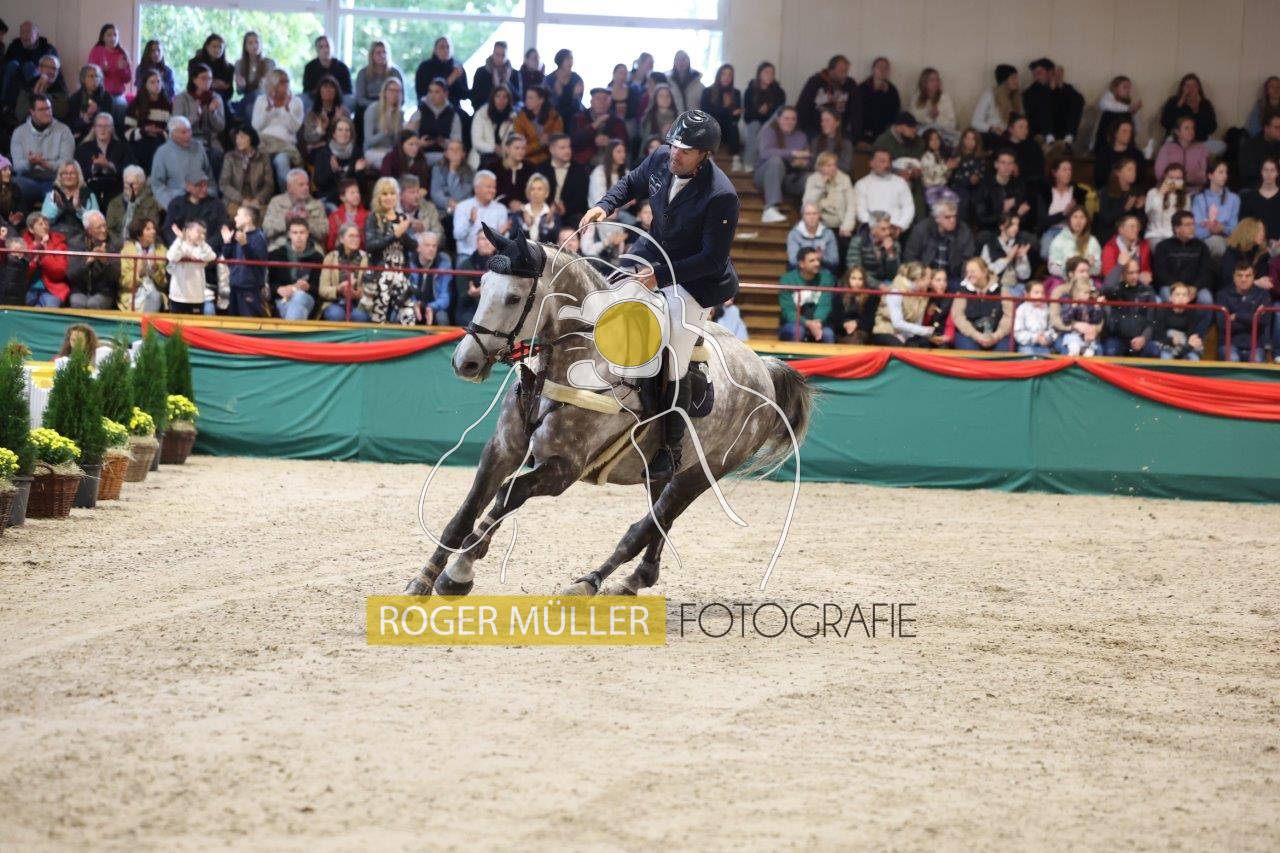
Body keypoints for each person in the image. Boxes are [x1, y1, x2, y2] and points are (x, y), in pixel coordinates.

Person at [580, 109, 740, 480]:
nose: (675, 154)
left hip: (695, 277)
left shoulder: (722, 195)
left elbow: (712, 259)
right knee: (607, 293)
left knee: (674, 353)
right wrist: (604, 205)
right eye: (674, 146)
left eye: (685, 151)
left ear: (704, 155)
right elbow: (630, 183)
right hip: (655, 250)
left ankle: (670, 446)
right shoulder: (660, 158)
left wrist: (660, 277)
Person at [363, 176, 417, 324]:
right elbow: (370, 246)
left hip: (401, 274)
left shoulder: (402, 218)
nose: (389, 197)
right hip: (380, 275)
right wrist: (395, 235)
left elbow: (414, 247)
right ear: (378, 197)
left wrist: (403, 233)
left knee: (408, 316)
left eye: (392, 194)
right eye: (385, 194)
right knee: (379, 317)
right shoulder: (373, 218)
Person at [11, 92, 74, 205]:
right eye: (42, 109)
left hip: (54, 181)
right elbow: (17, 166)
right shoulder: (19, 133)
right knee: (14, 186)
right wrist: (30, 163)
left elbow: (66, 164)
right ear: (32, 112)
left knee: (63, 190)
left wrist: (45, 164)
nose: (47, 112)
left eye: (49, 108)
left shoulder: (64, 131)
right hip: (27, 180)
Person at [251, 68, 304, 190]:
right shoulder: (261, 100)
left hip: (285, 146)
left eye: (287, 81)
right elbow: (256, 126)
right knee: (258, 165)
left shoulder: (296, 101)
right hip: (264, 144)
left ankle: (289, 196)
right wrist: (269, 110)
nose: (286, 84)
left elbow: (294, 128)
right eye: (281, 82)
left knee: (281, 162)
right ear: (273, 83)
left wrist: (286, 109)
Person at [171, 63, 226, 180]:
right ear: (194, 80)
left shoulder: (216, 98)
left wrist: (212, 112)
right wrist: (195, 115)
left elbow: (220, 127)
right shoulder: (182, 98)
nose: (208, 82)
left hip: (210, 139)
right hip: (188, 139)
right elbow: (176, 126)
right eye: (204, 78)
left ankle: (213, 188)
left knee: (217, 155)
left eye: (210, 79)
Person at [755, 106, 809, 223]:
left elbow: (807, 157)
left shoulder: (801, 136)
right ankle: (771, 208)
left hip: (789, 178)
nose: (790, 122)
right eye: (786, 118)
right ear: (779, 119)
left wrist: (802, 163)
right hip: (766, 176)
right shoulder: (768, 131)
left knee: (810, 177)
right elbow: (765, 153)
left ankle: (807, 215)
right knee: (776, 160)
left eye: (793, 119)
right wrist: (793, 153)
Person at [904, 199, 975, 287]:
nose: (952, 220)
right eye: (947, 217)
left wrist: (964, 283)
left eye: (954, 216)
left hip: (953, 278)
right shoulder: (922, 229)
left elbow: (968, 260)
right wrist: (922, 274)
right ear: (937, 218)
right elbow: (910, 257)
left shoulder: (964, 231)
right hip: (925, 276)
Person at [151, 116, 214, 209]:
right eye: (183, 132)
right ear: (172, 134)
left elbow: (209, 177)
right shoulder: (162, 153)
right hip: (177, 203)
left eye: (189, 131)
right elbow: (157, 185)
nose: (188, 135)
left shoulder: (199, 147)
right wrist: (171, 205)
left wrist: (209, 194)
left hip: (202, 200)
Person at [871, 262, 939, 347]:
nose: (930, 282)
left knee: (925, 345)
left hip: (906, 334)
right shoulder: (896, 291)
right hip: (886, 331)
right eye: (929, 278)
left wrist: (926, 333)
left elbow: (917, 324)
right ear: (919, 279)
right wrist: (924, 331)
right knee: (900, 347)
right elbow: (897, 323)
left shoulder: (923, 295)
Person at [1101, 257, 1158, 357]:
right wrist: (1119, 266)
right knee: (1110, 351)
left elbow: (1151, 320)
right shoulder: (1117, 290)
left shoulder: (1147, 291)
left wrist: (1143, 338)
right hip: (1118, 338)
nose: (1135, 276)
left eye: (1137, 272)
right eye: (1130, 273)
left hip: (1140, 337)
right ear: (1123, 274)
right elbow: (1106, 288)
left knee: (1154, 351)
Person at [951, 257, 1012, 350]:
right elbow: (958, 317)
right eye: (967, 272)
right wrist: (977, 336)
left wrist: (996, 336)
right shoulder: (962, 291)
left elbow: (1009, 316)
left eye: (973, 272)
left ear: (984, 272)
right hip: (970, 335)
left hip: (997, 335)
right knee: (970, 351)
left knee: (1003, 351)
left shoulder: (1002, 290)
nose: (969, 275)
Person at [267, 216, 321, 320]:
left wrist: (308, 287)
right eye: (295, 233)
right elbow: (269, 282)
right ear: (289, 234)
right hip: (282, 300)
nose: (299, 236)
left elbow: (319, 288)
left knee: (299, 296)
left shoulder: (317, 257)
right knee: (296, 309)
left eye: (302, 232)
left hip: (306, 298)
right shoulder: (276, 255)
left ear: (308, 233)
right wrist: (279, 289)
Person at [777, 246, 836, 342]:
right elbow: (788, 311)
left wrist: (817, 322)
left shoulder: (826, 278)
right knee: (797, 331)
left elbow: (825, 305)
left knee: (828, 334)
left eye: (818, 260)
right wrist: (807, 323)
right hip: (794, 323)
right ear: (801, 264)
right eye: (812, 261)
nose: (817, 263)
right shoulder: (787, 280)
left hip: (819, 323)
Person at [1153, 211, 1214, 302]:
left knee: (1206, 299)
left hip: (1194, 287)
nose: (1192, 227)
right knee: (1167, 294)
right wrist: (1176, 285)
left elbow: (1206, 272)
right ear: (1177, 228)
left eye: (1193, 224)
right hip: (1171, 285)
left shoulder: (1201, 246)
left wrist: (1195, 287)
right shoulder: (1162, 246)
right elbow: (1160, 272)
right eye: (1188, 225)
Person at [1217, 260, 1271, 361]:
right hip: (1229, 343)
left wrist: (1237, 316)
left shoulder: (1263, 295)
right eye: (1239, 275)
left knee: (1257, 360)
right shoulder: (1223, 295)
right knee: (1233, 359)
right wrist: (1253, 318)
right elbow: (1223, 325)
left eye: (1248, 276)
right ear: (1233, 276)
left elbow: (1264, 321)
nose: (1243, 279)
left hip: (1255, 345)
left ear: (1253, 277)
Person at [796, 55, 860, 140]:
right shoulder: (815, 81)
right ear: (831, 70)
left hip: (839, 129)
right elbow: (803, 106)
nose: (845, 74)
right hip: (816, 128)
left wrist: (856, 134)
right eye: (841, 71)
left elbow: (856, 109)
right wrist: (799, 129)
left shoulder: (850, 84)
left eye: (846, 71)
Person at [65, 210, 120, 309]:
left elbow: (117, 276)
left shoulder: (115, 243)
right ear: (88, 230)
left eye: (104, 225)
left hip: (105, 291)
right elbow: (71, 274)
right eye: (98, 227)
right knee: (77, 303)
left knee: (93, 304)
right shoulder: (76, 243)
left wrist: (105, 261)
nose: (103, 230)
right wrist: (88, 260)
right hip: (80, 290)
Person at [217, 204, 265, 316]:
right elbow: (230, 261)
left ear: (248, 219)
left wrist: (245, 245)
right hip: (235, 287)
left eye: (238, 215)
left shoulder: (259, 237)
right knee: (234, 321)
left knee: (249, 322)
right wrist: (227, 242)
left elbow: (256, 263)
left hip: (249, 289)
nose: (235, 218)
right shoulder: (240, 236)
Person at [75, 113, 132, 206]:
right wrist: (94, 168)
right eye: (99, 126)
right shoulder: (83, 149)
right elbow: (77, 171)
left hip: (116, 191)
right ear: (94, 128)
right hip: (90, 191)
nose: (103, 129)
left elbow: (131, 169)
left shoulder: (122, 147)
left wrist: (110, 166)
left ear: (112, 128)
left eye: (106, 126)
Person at [802, 151, 855, 250]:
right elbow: (807, 204)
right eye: (828, 165)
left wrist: (847, 226)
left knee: (844, 244)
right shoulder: (812, 180)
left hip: (840, 224)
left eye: (834, 165)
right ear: (820, 167)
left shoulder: (844, 179)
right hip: (819, 224)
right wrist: (821, 186)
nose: (833, 168)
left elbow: (851, 205)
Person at [1022, 59, 1083, 145]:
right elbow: (1035, 108)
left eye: (1039, 73)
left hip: (1062, 132)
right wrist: (1050, 90)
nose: (1036, 77)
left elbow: (1079, 101)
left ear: (1051, 72)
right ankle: (1050, 139)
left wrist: (1060, 86)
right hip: (1040, 133)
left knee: (1074, 101)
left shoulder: (1064, 87)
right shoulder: (1031, 91)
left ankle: (1068, 138)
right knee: (1043, 103)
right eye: (1034, 74)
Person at [1035, 155, 1086, 257]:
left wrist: (1074, 212)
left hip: (1071, 231)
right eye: (1064, 170)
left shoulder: (1077, 192)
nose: (1068, 173)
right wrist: (1064, 213)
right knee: (1045, 253)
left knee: (1072, 252)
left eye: (1070, 170)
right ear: (1054, 173)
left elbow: (1083, 217)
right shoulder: (1045, 192)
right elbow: (1042, 221)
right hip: (1050, 230)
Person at [319, 221, 370, 322]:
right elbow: (322, 289)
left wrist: (357, 294)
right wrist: (339, 289)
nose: (355, 239)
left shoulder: (367, 258)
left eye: (357, 236)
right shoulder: (330, 257)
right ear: (341, 239)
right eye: (351, 236)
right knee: (336, 314)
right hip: (336, 302)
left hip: (358, 303)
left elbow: (371, 289)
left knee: (359, 316)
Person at [264, 168, 326, 250]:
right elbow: (266, 230)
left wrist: (308, 221)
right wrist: (285, 221)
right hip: (280, 245)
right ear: (289, 187)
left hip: (310, 246)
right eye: (301, 185)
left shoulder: (317, 205)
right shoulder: (276, 202)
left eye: (307, 184)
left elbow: (323, 233)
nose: (306, 188)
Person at [972, 148, 1030, 237]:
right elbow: (981, 218)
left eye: (1010, 163)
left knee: (1030, 238)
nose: (1007, 167)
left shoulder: (1019, 185)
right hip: (991, 231)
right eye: (1003, 163)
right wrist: (1007, 213)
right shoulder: (984, 186)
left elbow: (1025, 214)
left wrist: (1016, 206)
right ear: (996, 164)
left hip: (1013, 231)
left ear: (1014, 166)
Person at [854, 147, 914, 233]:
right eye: (882, 161)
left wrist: (900, 226)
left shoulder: (900, 182)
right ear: (871, 163)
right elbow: (860, 210)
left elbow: (908, 207)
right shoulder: (861, 184)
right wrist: (876, 228)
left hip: (895, 230)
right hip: (870, 232)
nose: (887, 165)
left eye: (888, 162)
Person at [535, 134, 589, 227]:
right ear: (552, 149)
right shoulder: (541, 168)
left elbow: (582, 200)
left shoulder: (579, 170)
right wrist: (549, 208)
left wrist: (565, 208)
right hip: (543, 212)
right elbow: (534, 194)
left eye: (569, 147)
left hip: (571, 215)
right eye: (562, 148)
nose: (567, 151)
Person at [123, 69, 172, 172]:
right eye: (152, 82)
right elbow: (127, 133)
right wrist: (144, 130)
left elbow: (172, 130)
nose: (157, 85)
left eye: (158, 81)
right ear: (145, 85)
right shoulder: (135, 105)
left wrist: (161, 132)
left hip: (161, 141)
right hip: (140, 142)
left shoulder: (168, 104)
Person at [453, 170, 510, 258]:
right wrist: (470, 222)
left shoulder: (501, 209)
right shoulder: (462, 207)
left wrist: (502, 233)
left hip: (493, 255)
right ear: (477, 188)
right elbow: (457, 235)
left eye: (494, 187)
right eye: (489, 187)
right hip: (468, 255)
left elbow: (504, 241)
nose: (492, 190)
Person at [219, 125, 274, 217]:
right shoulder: (230, 157)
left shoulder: (263, 157)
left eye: (242, 137)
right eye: (237, 137)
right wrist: (241, 200)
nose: (238, 141)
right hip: (235, 199)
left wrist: (258, 199)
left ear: (251, 138)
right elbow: (224, 184)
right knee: (241, 215)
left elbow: (269, 184)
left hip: (256, 198)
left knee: (263, 215)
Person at [167, 218, 217, 314]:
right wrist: (179, 239)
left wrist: (202, 243)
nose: (201, 236)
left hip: (197, 297)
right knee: (175, 323)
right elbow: (171, 256)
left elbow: (211, 256)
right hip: (178, 296)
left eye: (203, 234)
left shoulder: (202, 249)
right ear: (188, 232)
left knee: (195, 322)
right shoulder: (179, 246)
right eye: (198, 232)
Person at [1191, 159, 1239, 258]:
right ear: (1210, 176)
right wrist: (1210, 230)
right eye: (1221, 172)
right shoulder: (1199, 199)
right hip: (1204, 239)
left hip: (1226, 239)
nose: (1225, 176)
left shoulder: (1233, 198)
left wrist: (1222, 228)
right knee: (1214, 242)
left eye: (1226, 172)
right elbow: (1195, 228)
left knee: (1218, 243)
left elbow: (1234, 228)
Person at [311, 116, 364, 205]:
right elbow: (318, 182)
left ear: (351, 134)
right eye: (340, 130)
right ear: (334, 134)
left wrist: (358, 172)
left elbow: (360, 186)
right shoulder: (323, 153)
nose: (344, 133)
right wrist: (333, 171)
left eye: (347, 130)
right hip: (329, 198)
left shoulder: (357, 153)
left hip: (351, 200)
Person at [1159, 73, 1220, 151]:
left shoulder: (1205, 104)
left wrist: (1196, 110)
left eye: (1194, 86)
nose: (1191, 89)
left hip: (1199, 141)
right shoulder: (1173, 101)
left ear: (1199, 88)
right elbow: (1165, 123)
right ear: (1182, 88)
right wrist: (1179, 104)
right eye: (1187, 86)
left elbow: (1211, 128)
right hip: (1176, 141)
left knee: (1221, 146)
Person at [118, 216, 167, 312]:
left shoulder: (161, 250)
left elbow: (164, 283)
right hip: (132, 295)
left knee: (155, 296)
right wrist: (139, 273)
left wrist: (155, 269)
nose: (153, 231)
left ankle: (144, 321)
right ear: (138, 234)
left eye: (154, 228)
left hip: (155, 292)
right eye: (148, 229)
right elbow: (125, 282)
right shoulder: (127, 251)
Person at [570, 87, 628, 167]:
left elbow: (625, 143)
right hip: (584, 162)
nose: (602, 102)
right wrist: (594, 126)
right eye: (598, 99)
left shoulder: (617, 121)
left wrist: (610, 143)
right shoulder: (579, 118)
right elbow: (574, 141)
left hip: (609, 163)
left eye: (605, 99)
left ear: (610, 103)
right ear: (591, 101)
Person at [21, 211, 69, 306]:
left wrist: (45, 254)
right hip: (28, 287)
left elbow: (60, 271)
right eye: (40, 224)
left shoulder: (58, 243)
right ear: (31, 229)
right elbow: (23, 272)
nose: (45, 227)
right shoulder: (24, 244)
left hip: (52, 289)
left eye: (46, 224)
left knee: (50, 306)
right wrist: (36, 254)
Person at [743, 62, 785, 169]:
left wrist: (769, 109)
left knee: (767, 129)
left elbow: (779, 114)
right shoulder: (750, 91)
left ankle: (759, 164)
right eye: (766, 72)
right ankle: (749, 163)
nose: (769, 75)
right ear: (759, 74)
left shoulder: (779, 92)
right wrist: (759, 112)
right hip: (754, 122)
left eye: (772, 73)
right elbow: (747, 115)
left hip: (772, 123)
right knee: (755, 127)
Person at [701, 64, 743, 170]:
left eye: (730, 75)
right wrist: (727, 108)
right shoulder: (708, 92)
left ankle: (736, 159)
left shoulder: (736, 93)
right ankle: (710, 158)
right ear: (719, 75)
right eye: (724, 74)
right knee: (710, 125)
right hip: (713, 129)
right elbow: (706, 114)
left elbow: (736, 118)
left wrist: (729, 113)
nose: (727, 77)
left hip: (728, 130)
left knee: (733, 126)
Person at [41, 159, 97, 238]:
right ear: (60, 176)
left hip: (81, 236)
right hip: (56, 235)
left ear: (78, 176)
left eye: (72, 173)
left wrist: (78, 208)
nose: (68, 176)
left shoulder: (89, 195)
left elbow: (95, 222)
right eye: (65, 173)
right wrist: (58, 207)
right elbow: (44, 221)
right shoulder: (53, 194)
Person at [299, 75, 351, 160]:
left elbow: (349, 137)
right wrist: (322, 128)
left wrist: (337, 122)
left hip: (339, 148)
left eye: (331, 87)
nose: (328, 90)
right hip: (318, 151)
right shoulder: (312, 113)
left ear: (336, 91)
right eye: (325, 87)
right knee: (325, 155)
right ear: (319, 91)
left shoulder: (344, 112)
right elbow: (308, 138)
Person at [1152, 281, 1208, 360]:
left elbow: (1191, 338)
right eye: (1177, 295)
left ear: (1188, 299)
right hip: (1166, 346)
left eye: (1184, 295)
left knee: (1194, 358)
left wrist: (1190, 344)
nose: (1181, 297)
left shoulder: (1192, 313)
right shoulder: (1162, 311)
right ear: (1171, 298)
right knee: (1166, 355)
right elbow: (1158, 337)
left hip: (1185, 347)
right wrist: (1171, 341)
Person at [105, 165, 163, 241]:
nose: (128, 187)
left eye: (133, 184)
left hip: (142, 244)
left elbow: (153, 228)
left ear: (141, 184)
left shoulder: (151, 204)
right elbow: (109, 229)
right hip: (118, 245)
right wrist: (120, 244)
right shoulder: (114, 204)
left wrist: (135, 244)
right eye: (126, 183)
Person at [412, 77, 463, 163]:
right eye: (430, 91)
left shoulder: (453, 115)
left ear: (445, 94)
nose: (432, 95)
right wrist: (420, 143)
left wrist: (444, 143)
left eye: (437, 92)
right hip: (421, 153)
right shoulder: (420, 111)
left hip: (444, 155)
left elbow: (457, 141)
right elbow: (409, 135)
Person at [1053, 270, 1103, 356]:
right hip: (1072, 334)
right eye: (1085, 293)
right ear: (1076, 294)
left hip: (1087, 336)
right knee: (1074, 348)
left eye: (1089, 293)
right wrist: (1073, 308)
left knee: (1091, 352)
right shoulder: (1069, 303)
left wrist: (1097, 308)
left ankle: (1087, 352)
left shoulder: (1090, 304)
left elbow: (1096, 320)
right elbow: (1065, 320)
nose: (1088, 295)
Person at [981, 213, 1034, 294]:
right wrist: (1007, 259)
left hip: (1016, 287)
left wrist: (1022, 258)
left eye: (1017, 225)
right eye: (1012, 224)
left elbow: (1024, 276)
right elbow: (986, 271)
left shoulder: (1019, 244)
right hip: (997, 288)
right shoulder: (989, 245)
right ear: (1001, 226)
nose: (1016, 228)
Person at [1154, 116, 1209, 194]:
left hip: (1195, 190)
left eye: (1192, 128)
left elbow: (1206, 173)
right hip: (1171, 188)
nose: (1191, 131)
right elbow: (1160, 174)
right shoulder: (1167, 148)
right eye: (1187, 128)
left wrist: (1190, 178)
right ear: (1177, 132)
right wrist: (1179, 183)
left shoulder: (1201, 148)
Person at [415, 36, 468, 115]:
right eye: (442, 47)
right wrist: (450, 79)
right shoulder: (425, 67)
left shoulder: (457, 68)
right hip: (429, 110)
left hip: (454, 110)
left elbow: (464, 95)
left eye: (448, 47)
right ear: (435, 50)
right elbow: (422, 93)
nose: (446, 50)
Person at [408, 230, 452, 325]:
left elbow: (445, 297)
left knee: (442, 318)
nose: (431, 249)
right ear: (419, 248)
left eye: (434, 246)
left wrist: (430, 307)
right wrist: (414, 304)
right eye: (427, 245)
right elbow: (406, 291)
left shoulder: (444, 265)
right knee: (401, 313)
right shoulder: (409, 264)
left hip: (434, 307)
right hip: (413, 305)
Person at [971, 64, 1022, 145]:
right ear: (1004, 80)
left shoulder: (1015, 97)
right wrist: (992, 128)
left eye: (1017, 78)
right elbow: (975, 122)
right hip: (991, 136)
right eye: (1013, 78)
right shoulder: (990, 94)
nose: (1016, 81)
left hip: (1009, 136)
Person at [1096, 158, 1145, 240]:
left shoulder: (1138, 192)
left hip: (1132, 233)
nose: (1133, 173)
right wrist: (1124, 209)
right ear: (1118, 173)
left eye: (1135, 170)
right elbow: (1105, 219)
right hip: (1111, 233)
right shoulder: (1107, 192)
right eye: (1129, 170)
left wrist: (1139, 209)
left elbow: (1143, 222)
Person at [1092, 75, 1143, 155]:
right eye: (1125, 87)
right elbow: (1104, 105)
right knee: (1110, 114)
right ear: (1115, 88)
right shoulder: (1107, 99)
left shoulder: (1129, 105)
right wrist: (1128, 109)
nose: (1128, 90)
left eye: (1129, 88)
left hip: (1125, 145)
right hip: (1105, 143)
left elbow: (1137, 129)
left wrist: (1134, 114)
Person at [1094, 116, 1146, 192]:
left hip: (1130, 192)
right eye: (1124, 131)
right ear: (1115, 133)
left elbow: (1140, 178)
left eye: (1130, 131)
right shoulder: (1104, 153)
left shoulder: (1137, 154)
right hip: (1107, 192)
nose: (1128, 134)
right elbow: (1099, 178)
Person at [363, 77, 406, 171]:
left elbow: (395, 143)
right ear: (384, 92)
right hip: (373, 150)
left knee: (400, 160)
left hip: (390, 151)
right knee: (389, 161)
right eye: (391, 90)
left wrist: (402, 131)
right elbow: (368, 142)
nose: (395, 94)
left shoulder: (400, 113)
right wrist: (384, 132)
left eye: (398, 91)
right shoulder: (372, 109)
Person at [1144, 163, 1190, 251]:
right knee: (1164, 248)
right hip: (1156, 234)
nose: (1174, 181)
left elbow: (1186, 219)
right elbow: (1152, 216)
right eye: (1171, 178)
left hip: (1177, 235)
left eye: (1178, 179)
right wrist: (1160, 194)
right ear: (1165, 177)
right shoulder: (1153, 193)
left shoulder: (1185, 197)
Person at [909, 67, 958, 147]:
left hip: (942, 134)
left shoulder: (945, 98)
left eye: (937, 80)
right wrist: (929, 116)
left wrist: (937, 117)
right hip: (922, 134)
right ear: (924, 82)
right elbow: (912, 120)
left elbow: (952, 122)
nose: (936, 83)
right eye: (932, 80)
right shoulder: (916, 98)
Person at [1047, 207, 1101, 280]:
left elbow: (1097, 269)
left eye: (1082, 217)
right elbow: (1052, 267)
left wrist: (1091, 266)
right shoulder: (1059, 240)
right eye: (1075, 217)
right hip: (1064, 280)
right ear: (1069, 220)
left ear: (1087, 221)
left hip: (1085, 281)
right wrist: (1072, 271)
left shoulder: (1092, 241)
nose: (1078, 221)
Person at [514, 85, 562, 167]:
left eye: (530, 98)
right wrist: (539, 143)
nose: (526, 101)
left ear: (541, 100)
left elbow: (559, 143)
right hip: (528, 161)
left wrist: (549, 140)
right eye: (526, 98)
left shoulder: (554, 117)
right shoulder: (520, 119)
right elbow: (520, 148)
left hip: (550, 160)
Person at [14, 53, 69, 124]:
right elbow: (21, 115)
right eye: (48, 67)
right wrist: (35, 95)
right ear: (39, 69)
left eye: (54, 69)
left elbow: (61, 113)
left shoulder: (60, 88)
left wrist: (42, 95)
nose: (51, 71)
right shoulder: (28, 86)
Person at [470, 83, 515, 169]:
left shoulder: (512, 117)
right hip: (481, 158)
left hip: (503, 159)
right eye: (498, 96)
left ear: (509, 100)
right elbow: (476, 142)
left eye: (505, 97)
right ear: (493, 98)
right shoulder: (481, 114)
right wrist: (494, 148)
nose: (501, 100)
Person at [302, 36, 353, 112]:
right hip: (316, 99)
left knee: (351, 100)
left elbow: (348, 90)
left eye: (327, 46)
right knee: (302, 99)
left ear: (332, 48)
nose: (325, 50)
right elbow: (307, 89)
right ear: (317, 50)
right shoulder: (309, 67)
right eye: (321, 47)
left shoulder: (342, 67)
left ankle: (341, 118)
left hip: (338, 99)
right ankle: (312, 118)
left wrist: (332, 94)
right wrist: (323, 94)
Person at [232, 31, 274, 121]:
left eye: (257, 42)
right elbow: (239, 92)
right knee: (249, 109)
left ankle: (238, 107)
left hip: (266, 99)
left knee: (258, 93)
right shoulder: (239, 64)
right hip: (249, 100)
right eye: (250, 43)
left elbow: (271, 89)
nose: (255, 46)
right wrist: (241, 85)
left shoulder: (269, 63)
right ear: (245, 47)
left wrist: (264, 84)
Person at [66, 63, 115, 140]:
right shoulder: (75, 98)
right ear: (83, 79)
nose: (95, 79)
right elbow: (72, 125)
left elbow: (110, 121)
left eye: (97, 76)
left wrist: (97, 111)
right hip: (81, 133)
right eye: (91, 76)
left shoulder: (106, 97)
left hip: (101, 134)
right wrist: (86, 117)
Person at [858, 57, 900, 143]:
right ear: (873, 70)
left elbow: (895, 112)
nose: (882, 70)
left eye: (885, 68)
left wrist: (885, 95)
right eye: (879, 67)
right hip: (865, 132)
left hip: (885, 133)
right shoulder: (863, 88)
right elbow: (858, 112)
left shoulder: (892, 90)